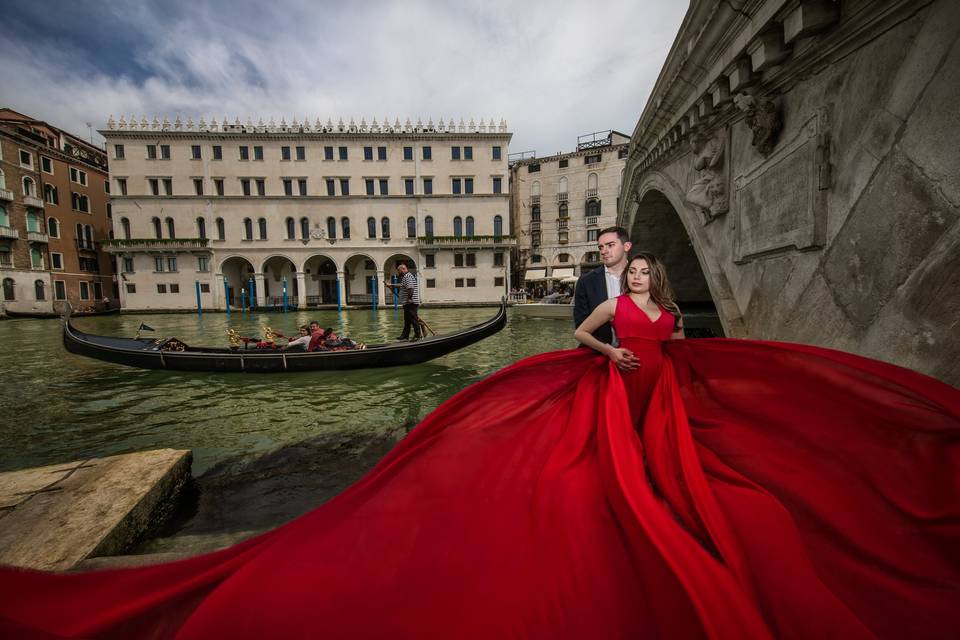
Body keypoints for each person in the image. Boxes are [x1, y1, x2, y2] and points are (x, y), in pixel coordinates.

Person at [1, 253, 959, 639]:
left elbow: (693, 346)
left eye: (641, 263)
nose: (638, 269)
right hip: (625, 385)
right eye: (633, 263)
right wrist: (614, 347)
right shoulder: (620, 305)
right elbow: (593, 337)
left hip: (661, 396)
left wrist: (666, 347)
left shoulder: (662, 303)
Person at [574, 226, 633, 347]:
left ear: (626, 246)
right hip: (596, 354)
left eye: (610, 245)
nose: (603, 251)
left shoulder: (644, 277)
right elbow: (580, 325)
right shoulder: (586, 281)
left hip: (636, 354)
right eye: (601, 247)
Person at [386, 263, 422, 341]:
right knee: (407, 320)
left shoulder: (407, 276)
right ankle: (405, 336)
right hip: (408, 303)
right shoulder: (406, 277)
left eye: (399, 271)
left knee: (413, 319)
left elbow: (410, 288)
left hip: (411, 303)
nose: (398, 273)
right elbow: (402, 286)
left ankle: (418, 336)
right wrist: (392, 285)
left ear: (403, 269)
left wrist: (409, 299)